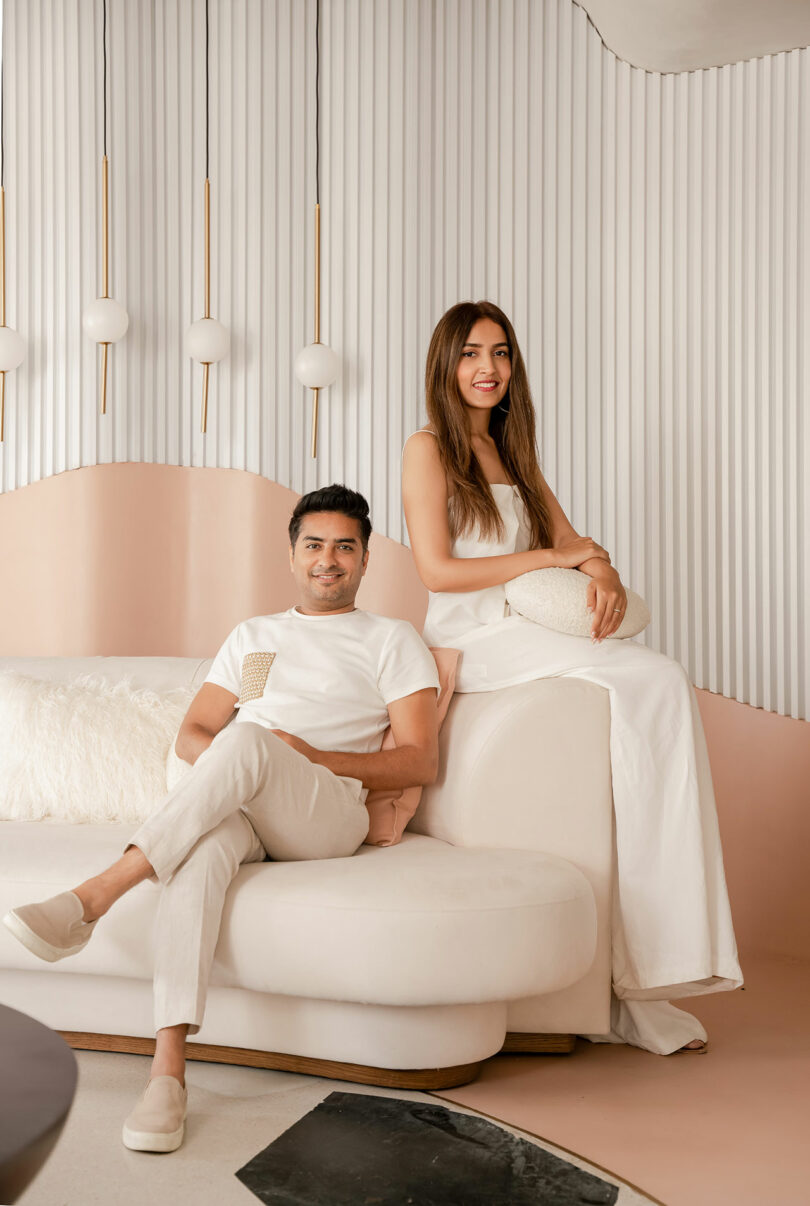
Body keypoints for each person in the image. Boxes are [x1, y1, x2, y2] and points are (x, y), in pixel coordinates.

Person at [3, 484, 440, 1152]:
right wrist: (244, 763)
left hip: (325, 810)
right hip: (245, 797)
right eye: (314, 545)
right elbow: (195, 732)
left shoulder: (391, 638)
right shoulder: (254, 636)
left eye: (344, 547)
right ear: (291, 555)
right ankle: (167, 1075)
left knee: (247, 739)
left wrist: (303, 755)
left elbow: (417, 761)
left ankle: (94, 898)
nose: (329, 560)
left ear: (365, 558)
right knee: (200, 847)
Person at [402, 299, 742, 1056]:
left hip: (522, 627)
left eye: (500, 354)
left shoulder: (515, 454)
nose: (486, 368)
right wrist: (550, 560)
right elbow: (437, 570)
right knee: (657, 681)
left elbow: (572, 540)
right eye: (470, 354)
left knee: (657, 681)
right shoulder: (427, 449)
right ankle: (665, 955)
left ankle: (662, 960)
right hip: (475, 635)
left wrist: (604, 569)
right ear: (445, 365)